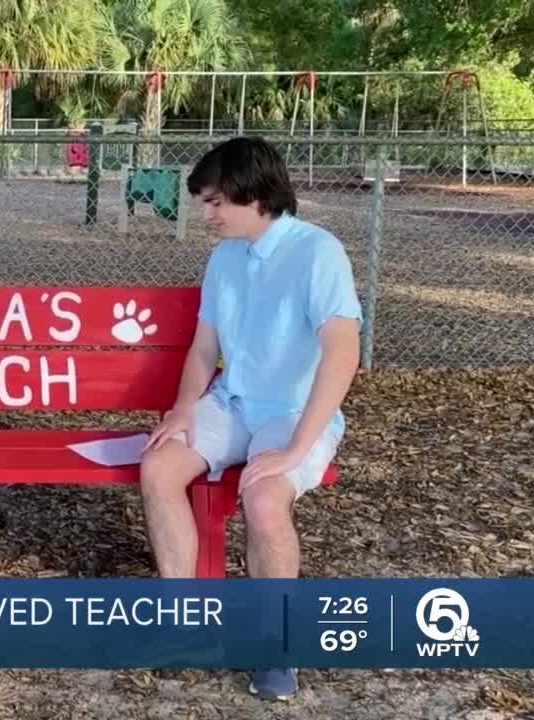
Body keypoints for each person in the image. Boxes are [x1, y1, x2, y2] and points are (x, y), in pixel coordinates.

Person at [138, 137, 362, 701]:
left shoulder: (318, 252)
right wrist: (185, 409)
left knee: (263, 497)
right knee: (159, 468)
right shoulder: (225, 258)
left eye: (215, 203)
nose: (205, 215)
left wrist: (293, 451)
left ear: (255, 195)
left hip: (294, 412)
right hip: (233, 402)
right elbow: (201, 349)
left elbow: (342, 352)